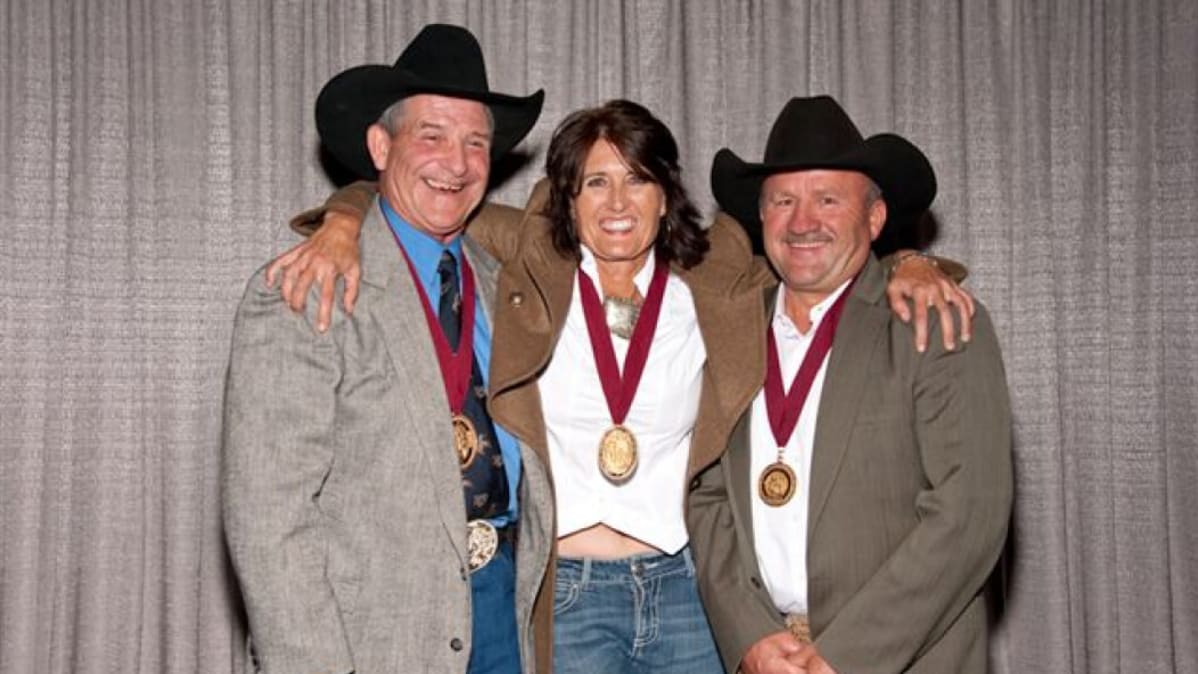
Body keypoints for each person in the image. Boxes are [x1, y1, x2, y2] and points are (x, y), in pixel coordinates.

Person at [271, 99, 976, 673]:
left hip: (684, 593)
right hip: (568, 597)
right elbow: (425, 197)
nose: (617, 202)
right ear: (567, 199)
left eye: (637, 179)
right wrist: (341, 221)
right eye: (594, 182)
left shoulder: (717, 269)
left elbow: (822, 256)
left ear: (666, 195)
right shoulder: (529, 258)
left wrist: (910, 259)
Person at [221, 24, 553, 674]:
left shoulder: (501, 280)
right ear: (379, 145)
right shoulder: (305, 287)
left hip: (505, 619)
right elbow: (269, 519)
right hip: (371, 637)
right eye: (432, 136)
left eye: (475, 143)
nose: (456, 163)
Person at [688, 95, 1013, 674]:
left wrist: (842, 658)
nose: (803, 221)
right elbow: (704, 492)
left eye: (828, 199)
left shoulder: (936, 323)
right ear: (761, 218)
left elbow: (969, 514)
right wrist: (750, 636)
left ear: (875, 218)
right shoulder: (728, 328)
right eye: (784, 200)